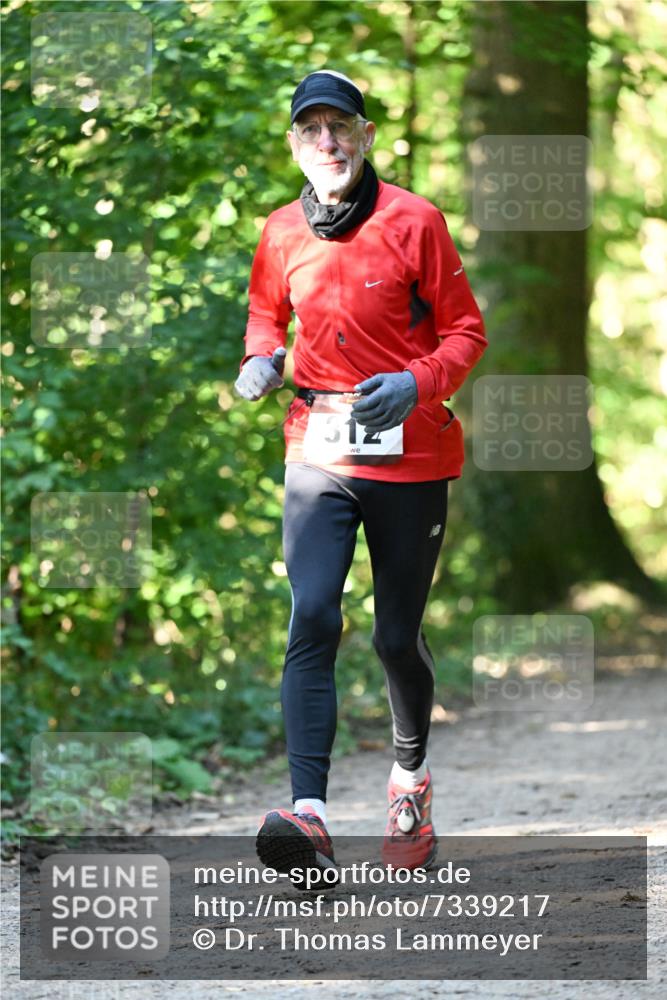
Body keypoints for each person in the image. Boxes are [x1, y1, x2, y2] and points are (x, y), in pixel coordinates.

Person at [235, 69, 487, 886]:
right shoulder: (278, 230)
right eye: (310, 130)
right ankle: (307, 817)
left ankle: (408, 786)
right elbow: (267, 312)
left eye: (339, 126)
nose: (327, 142)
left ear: (366, 134)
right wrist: (259, 359)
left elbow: (465, 331)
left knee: (392, 635)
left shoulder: (415, 221)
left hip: (410, 452)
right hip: (316, 446)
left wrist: (416, 383)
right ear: (295, 145)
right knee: (311, 615)